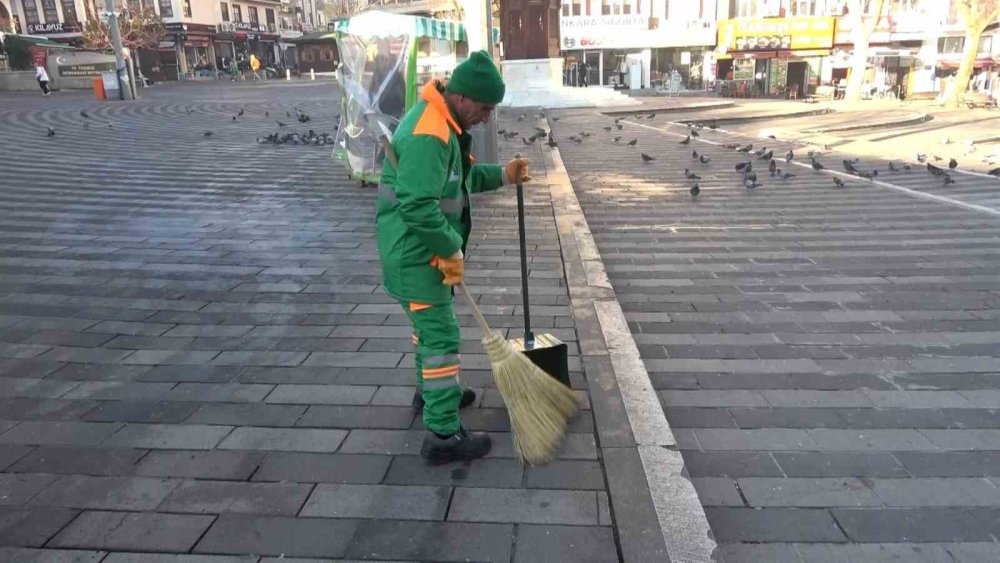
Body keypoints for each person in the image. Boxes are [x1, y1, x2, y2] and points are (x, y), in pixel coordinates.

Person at [376, 51, 530, 465]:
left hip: (415, 253)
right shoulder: (432, 134)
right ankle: (443, 432)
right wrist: (449, 247)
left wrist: (505, 174)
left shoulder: (445, 123)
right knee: (441, 337)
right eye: (484, 108)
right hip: (416, 256)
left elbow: (460, 181)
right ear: (461, 97)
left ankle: (430, 392)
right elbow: (418, 206)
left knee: (427, 330)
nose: (486, 117)